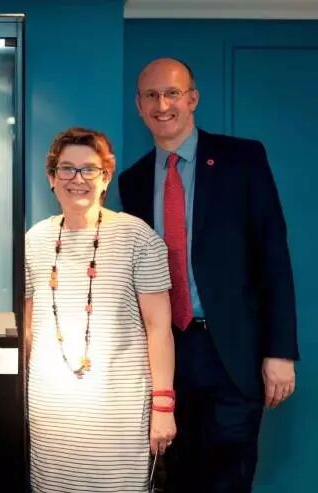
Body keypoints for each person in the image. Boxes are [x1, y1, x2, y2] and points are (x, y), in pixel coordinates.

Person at [119, 58, 299, 492]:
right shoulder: (133, 180)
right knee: (175, 478)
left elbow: (273, 255)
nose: (163, 105)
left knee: (229, 480)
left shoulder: (243, 159)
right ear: (139, 106)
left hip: (232, 355)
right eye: (151, 96)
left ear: (193, 98)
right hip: (165, 356)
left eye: (173, 93)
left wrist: (280, 352)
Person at [25, 127, 176, 492]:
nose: (77, 179)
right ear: (51, 177)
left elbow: (159, 327)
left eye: (89, 169)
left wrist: (163, 406)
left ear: (106, 177)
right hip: (51, 413)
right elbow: (29, 327)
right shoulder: (34, 240)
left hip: (119, 414)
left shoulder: (137, 236)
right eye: (66, 168)